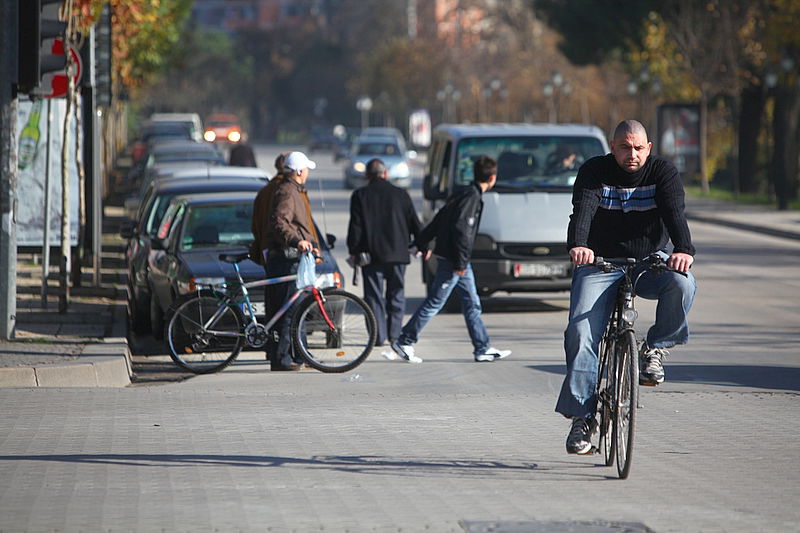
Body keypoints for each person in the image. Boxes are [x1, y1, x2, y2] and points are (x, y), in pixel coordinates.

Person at [556, 119, 697, 454]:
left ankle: (655, 350)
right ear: (613, 147)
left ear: (648, 148)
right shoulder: (594, 171)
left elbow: (675, 213)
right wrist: (579, 245)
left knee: (683, 282)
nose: (631, 154)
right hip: (600, 264)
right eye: (624, 147)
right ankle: (582, 419)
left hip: (649, 263)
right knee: (580, 333)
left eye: (638, 148)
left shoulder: (662, 172)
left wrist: (683, 251)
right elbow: (583, 213)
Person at [390, 156, 511, 364]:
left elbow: (439, 219)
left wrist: (422, 243)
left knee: (472, 303)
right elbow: (461, 231)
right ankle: (405, 340)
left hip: (458, 260)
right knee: (435, 302)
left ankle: (482, 348)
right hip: (454, 260)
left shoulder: (464, 193)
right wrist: (460, 264)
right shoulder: (471, 198)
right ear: (492, 178)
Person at [346, 158, 423, 355]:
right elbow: (415, 223)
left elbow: (356, 227)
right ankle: (395, 335)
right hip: (398, 254)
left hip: (371, 255)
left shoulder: (360, 195)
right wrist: (423, 243)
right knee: (396, 294)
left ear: (366, 175)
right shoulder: (401, 194)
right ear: (386, 173)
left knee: (373, 297)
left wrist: (354, 250)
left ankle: (378, 336)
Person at [262, 151, 320, 371]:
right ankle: (283, 359)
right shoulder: (287, 192)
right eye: (305, 169)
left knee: (293, 309)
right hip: (287, 259)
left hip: (292, 258)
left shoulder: (293, 190)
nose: (307, 173)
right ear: (298, 171)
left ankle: (298, 356)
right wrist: (297, 241)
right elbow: (279, 222)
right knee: (288, 310)